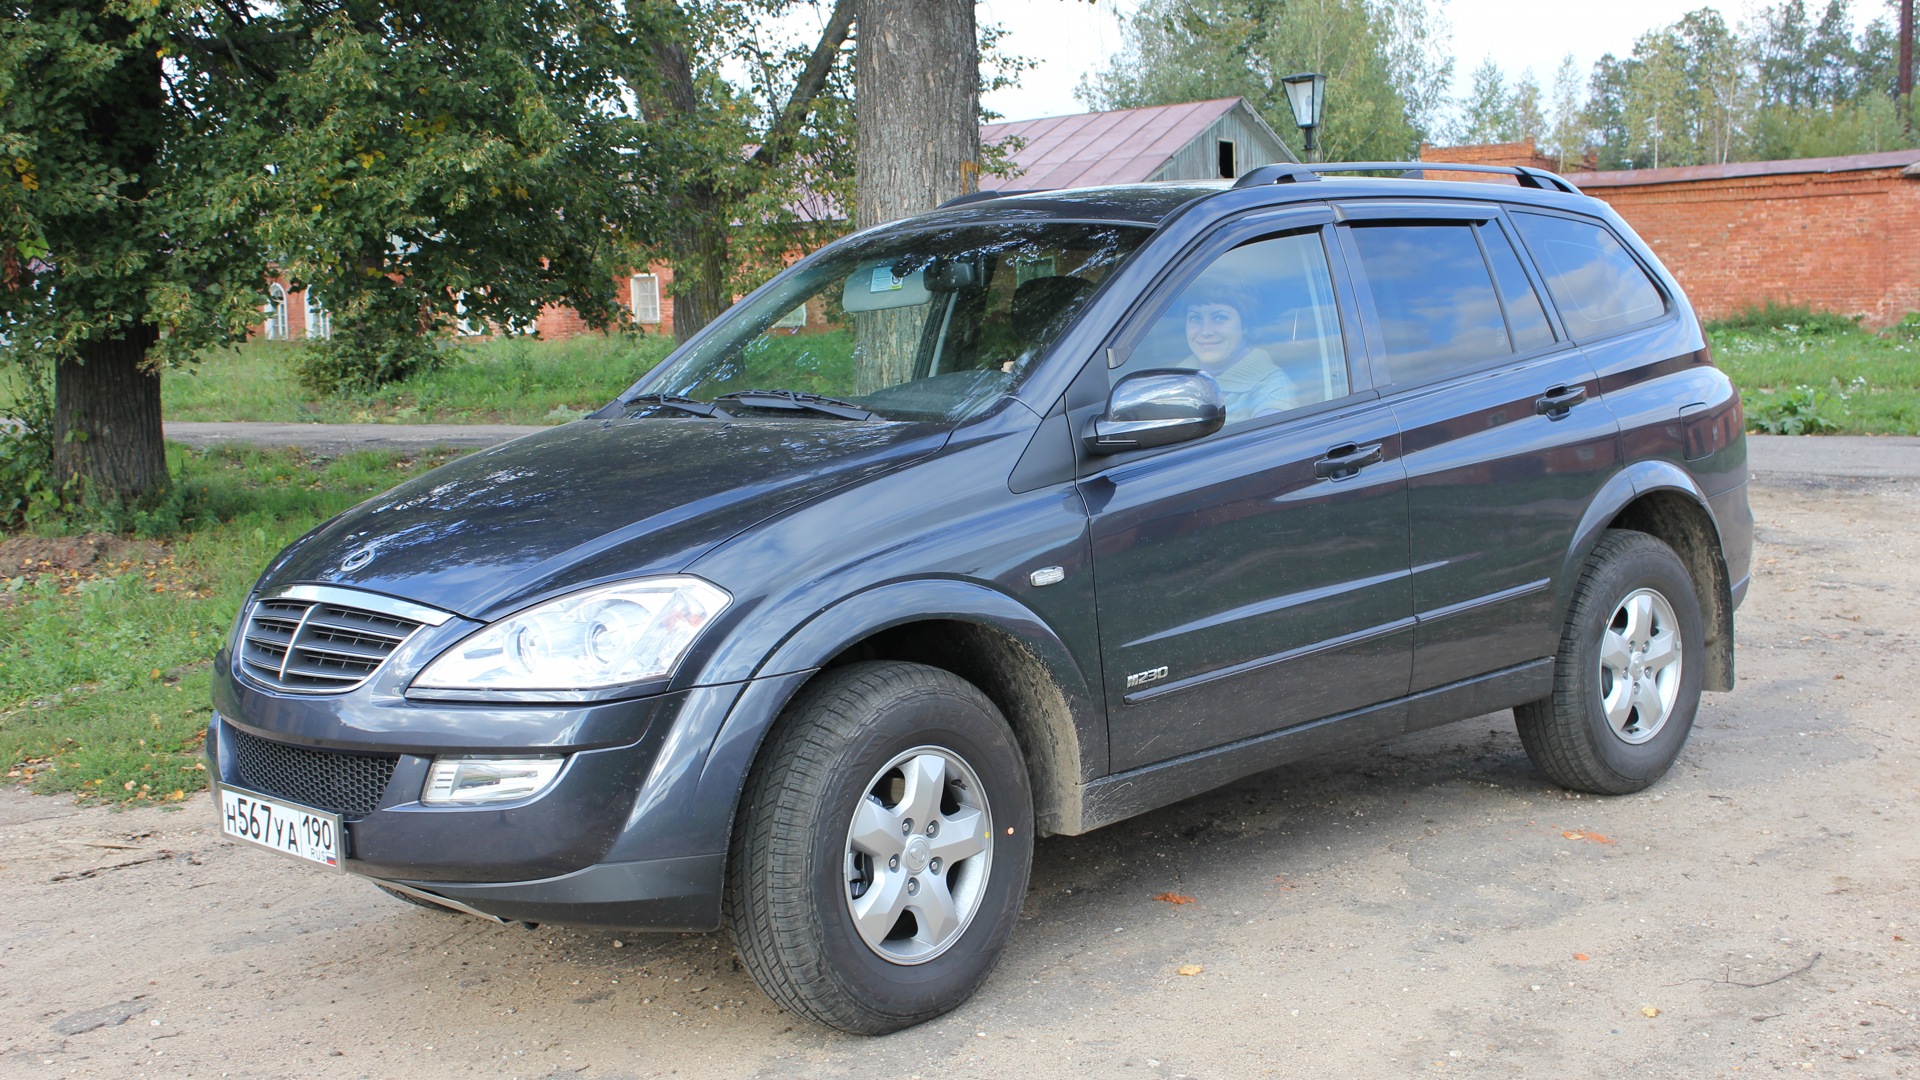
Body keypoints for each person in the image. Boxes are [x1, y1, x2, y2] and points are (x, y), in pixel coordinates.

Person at [1178, 280, 1296, 424]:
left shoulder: (1272, 389)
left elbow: (1267, 442)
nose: (1206, 331)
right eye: (1195, 318)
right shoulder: (1177, 375)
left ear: (1245, 325)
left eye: (1219, 318)